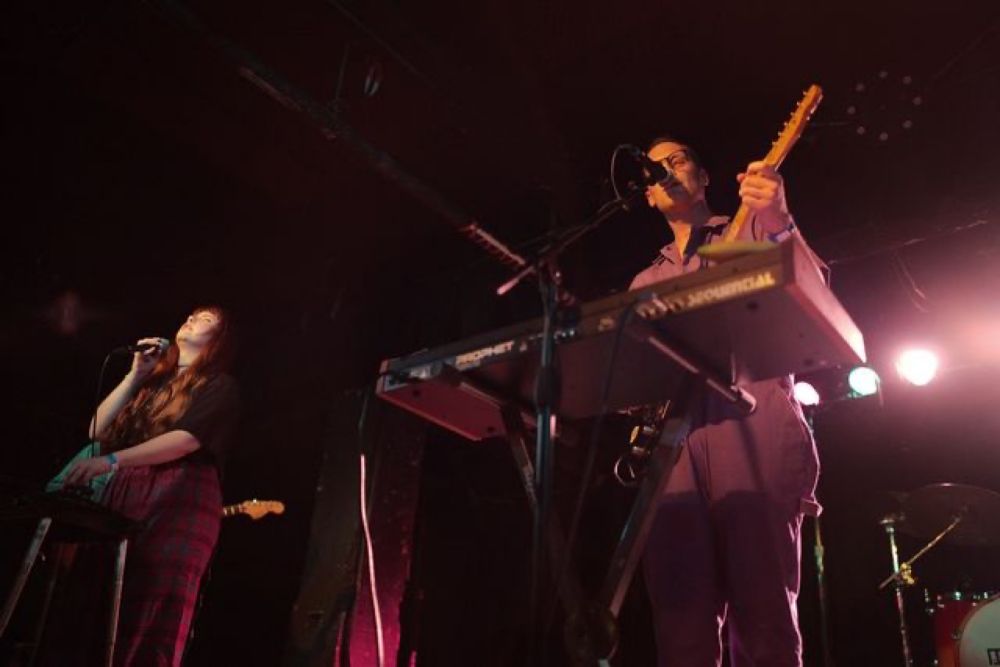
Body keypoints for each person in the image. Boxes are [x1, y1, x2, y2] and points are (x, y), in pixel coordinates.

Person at [633, 137, 821, 667]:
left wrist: (779, 216)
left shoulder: (754, 227)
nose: (668, 172)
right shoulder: (645, 282)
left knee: (764, 618)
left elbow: (817, 294)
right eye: (655, 170)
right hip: (675, 449)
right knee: (680, 622)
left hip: (753, 425)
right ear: (646, 196)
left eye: (678, 161)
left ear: (704, 175)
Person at [45, 306, 240, 666]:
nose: (191, 320)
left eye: (205, 319)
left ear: (219, 340)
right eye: (190, 315)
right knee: (99, 597)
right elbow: (97, 431)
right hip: (127, 490)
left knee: (150, 601)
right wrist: (134, 376)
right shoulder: (152, 383)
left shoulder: (220, 386)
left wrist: (112, 461)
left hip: (175, 499)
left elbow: (185, 440)